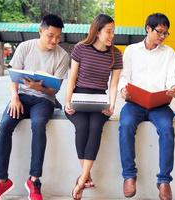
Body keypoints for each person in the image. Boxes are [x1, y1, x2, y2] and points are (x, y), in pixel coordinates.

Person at [0, 14, 69, 200]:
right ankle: (1, 181)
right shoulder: (25, 47)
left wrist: (40, 87)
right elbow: (13, 77)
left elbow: (54, 91)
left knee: (38, 125)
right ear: (40, 31)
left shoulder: (63, 56)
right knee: (5, 125)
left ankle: (34, 180)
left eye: (58, 37)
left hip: (43, 100)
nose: (54, 40)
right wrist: (14, 97)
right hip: (21, 96)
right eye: (50, 35)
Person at [118, 13, 175, 200]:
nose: (162, 37)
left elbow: (173, 78)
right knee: (126, 126)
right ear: (148, 29)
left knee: (167, 129)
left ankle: (164, 181)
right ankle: (129, 176)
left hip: (159, 104)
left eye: (165, 33)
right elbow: (124, 76)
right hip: (134, 102)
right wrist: (123, 90)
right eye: (159, 32)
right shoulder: (131, 51)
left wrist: (173, 88)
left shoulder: (169, 53)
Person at [64, 14, 122, 200]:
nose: (112, 35)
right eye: (108, 31)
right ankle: (86, 176)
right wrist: (67, 101)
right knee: (82, 126)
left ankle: (81, 181)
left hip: (99, 100)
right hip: (78, 96)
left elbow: (113, 85)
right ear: (97, 32)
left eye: (113, 32)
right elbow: (72, 79)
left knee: (95, 127)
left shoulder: (116, 54)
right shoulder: (81, 48)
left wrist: (111, 105)